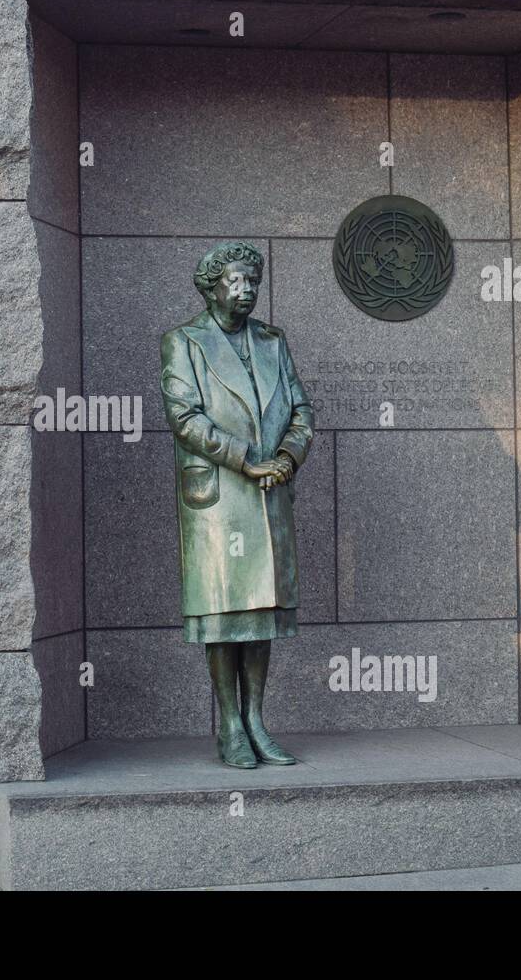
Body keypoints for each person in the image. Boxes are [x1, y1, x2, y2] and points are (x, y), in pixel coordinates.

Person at [159, 242, 314, 768]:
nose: (246, 290)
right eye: (235, 281)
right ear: (211, 287)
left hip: (270, 492)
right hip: (222, 498)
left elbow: (300, 410)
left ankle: (256, 720)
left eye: (252, 280)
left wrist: (288, 458)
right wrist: (248, 459)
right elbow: (185, 418)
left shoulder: (274, 341)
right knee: (225, 614)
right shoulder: (184, 342)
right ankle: (228, 723)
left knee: (261, 613)